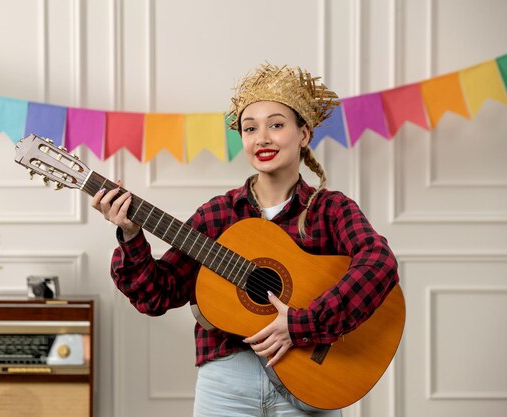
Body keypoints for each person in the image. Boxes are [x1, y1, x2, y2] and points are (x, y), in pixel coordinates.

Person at [91, 63, 399, 417]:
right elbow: (158, 295)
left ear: (304, 134)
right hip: (227, 385)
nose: (262, 138)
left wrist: (301, 324)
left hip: (314, 378)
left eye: (277, 125)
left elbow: (380, 263)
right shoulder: (218, 215)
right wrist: (131, 234)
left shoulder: (330, 209)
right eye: (250, 128)